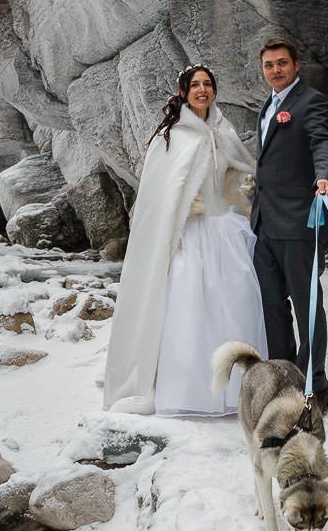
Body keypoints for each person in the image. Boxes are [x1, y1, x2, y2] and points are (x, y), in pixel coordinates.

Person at [102, 65, 266, 417]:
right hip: (188, 236)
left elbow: (239, 172)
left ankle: (235, 392)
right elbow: (157, 198)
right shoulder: (172, 138)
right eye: (195, 85)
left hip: (223, 233)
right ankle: (187, 391)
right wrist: (181, 208)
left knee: (233, 305)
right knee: (188, 309)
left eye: (208, 84)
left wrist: (243, 189)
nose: (202, 90)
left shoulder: (223, 131)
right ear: (183, 92)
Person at [249, 38, 328, 408]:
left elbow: (323, 143)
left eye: (282, 63)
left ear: (296, 65)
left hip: (300, 223)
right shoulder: (268, 106)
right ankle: (284, 378)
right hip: (266, 223)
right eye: (269, 65)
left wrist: (325, 176)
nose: (275, 70)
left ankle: (316, 385)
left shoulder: (311, 102)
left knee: (307, 305)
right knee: (272, 306)